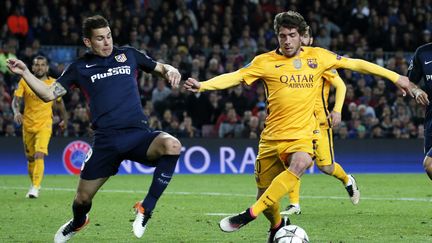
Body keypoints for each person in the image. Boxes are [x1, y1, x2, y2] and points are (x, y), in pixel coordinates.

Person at [184, 10, 413, 242]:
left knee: (303, 161)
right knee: (266, 196)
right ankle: (275, 227)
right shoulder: (264, 62)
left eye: (292, 35)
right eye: (282, 36)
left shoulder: (318, 57)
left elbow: (356, 64)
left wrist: (396, 78)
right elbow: (234, 76)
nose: (287, 41)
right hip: (271, 138)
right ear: (277, 36)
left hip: (303, 134)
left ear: (301, 35)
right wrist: (203, 86)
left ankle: (250, 213)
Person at [7, 15, 182, 242]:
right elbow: (49, 94)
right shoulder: (79, 68)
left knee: (172, 145)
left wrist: (170, 69)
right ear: (88, 42)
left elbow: (160, 67)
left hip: (138, 135)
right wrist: (25, 73)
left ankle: (145, 208)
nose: (107, 42)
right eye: (100, 39)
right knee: (81, 200)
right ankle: (79, 222)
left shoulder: (128, 55)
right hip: (106, 143)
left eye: (108, 36)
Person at [282, 26, 358, 215]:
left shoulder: (319, 61)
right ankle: (294, 204)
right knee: (294, 160)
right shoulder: (288, 62)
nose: (302, 42)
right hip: (298, 123)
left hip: (320, 123)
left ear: (310, 40)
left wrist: (337, 110)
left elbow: (340, 86)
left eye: (305, 37)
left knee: (326, 167)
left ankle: (347, 180)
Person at [11, 55, 68, 199]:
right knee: (30, 158)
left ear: (47, 67)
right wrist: (16, 112)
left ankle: (35, 187)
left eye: (43, 65)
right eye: (37, 65)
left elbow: (60, 104)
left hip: (45, 124)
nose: (40, 67)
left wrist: (65, 119)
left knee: (39, 154)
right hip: (28, 124)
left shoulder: (53, 83)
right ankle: (34, 183)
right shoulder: (25, 81)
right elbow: (15, 101)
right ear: (32, 67)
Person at [407, 42, 432, 179]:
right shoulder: (423, 52)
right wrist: (416, 91)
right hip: (430, 118)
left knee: (429, 164)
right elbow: (409, 82)